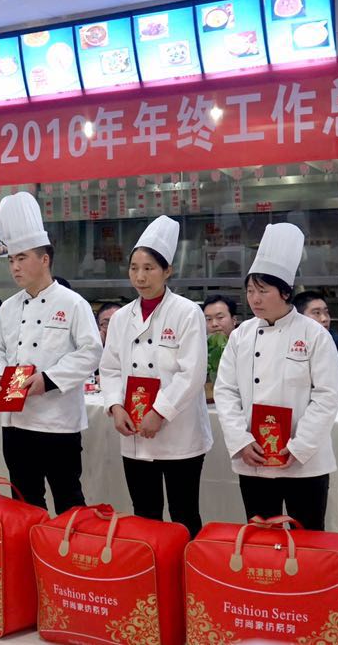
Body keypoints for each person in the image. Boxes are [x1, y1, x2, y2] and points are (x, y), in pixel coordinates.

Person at [0, 191, 102, 514]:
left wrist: (47, 380)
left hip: (58, 422)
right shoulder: (9, 307)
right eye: (11, 260)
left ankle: (68, 546)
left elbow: (91, 352)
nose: (15, 267)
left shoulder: (72, 303)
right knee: (24, 501)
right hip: (16, 422)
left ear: (44, 259)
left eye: (22, 258)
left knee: (68, 499)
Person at [214, 224, 338, 526]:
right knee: (261, 537)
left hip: (303, 460)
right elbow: (226, 391)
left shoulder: (314, 335)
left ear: (285, 292)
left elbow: (327, 396)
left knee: (307, 537)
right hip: (255, 456)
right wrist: (240, 440)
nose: (254, 299)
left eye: (263, 291)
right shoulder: (241, 335)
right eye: (250, 291)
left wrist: (300, 446)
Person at [99, 216, 212, 538]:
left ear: (167, 271)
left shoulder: (187, 312)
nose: (140, 276)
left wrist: (159, 412)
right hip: (133, 430)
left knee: (183, 513)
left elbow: (192, 373)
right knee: (144, 512)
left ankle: (186, 568)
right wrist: (115, 406)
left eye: (149, 268)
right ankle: (151, 567)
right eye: (134, 268)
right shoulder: (121, 317)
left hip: (179, 433)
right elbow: (109, 367)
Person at [294, 290, 338, 387]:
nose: (324, 319)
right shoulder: (288, 339)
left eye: (326, 312)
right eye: (317, 313)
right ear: (298, 317)